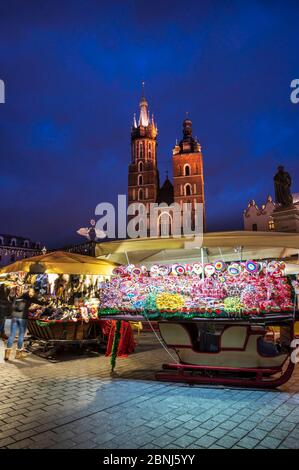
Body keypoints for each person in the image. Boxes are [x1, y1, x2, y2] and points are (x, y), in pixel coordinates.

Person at [4, 287, 37, 361]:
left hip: (15, 317)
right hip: (23, 318)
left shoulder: (17, 298)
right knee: (21, 335)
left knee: (12, 335)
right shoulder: (28, 299)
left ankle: (7, 354)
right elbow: (31, 307)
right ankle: (18, 354)